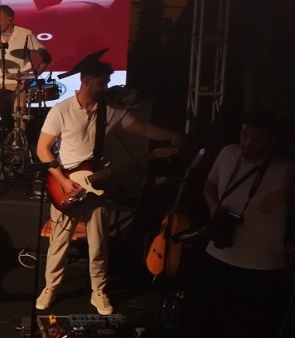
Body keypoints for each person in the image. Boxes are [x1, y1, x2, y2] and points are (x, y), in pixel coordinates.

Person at [35, 60, 186, 315]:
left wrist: (171, 136)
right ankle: (51, 287)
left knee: (98, 244)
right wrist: (62, 180)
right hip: (66, 186)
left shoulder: (111, 111)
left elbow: (143, 128)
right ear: (85, 81)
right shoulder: (61, 110)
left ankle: (99, 291)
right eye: (102, 82)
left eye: (107, 82)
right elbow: (42, 149)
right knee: (59, 243)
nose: (106, 87)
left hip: (98, 185)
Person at [169, 111, 295, 338]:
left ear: (273, 140)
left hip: (262, 266)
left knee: (253, 332)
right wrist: (214, 207)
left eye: (257, 138)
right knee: (206, 320)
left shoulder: (287, 170)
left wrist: (283, 194)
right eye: (244, 134)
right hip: (219, 254)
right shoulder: (228, 153)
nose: (247, 143)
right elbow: (210, 184)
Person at [0, 4, 51, 92]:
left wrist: (34, 76)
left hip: (18, 85)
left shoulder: (26, 34)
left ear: (9, 20)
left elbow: (47, 58)